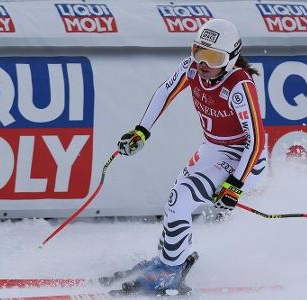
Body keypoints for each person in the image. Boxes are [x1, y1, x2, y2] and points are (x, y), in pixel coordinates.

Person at [116, 18, 267, 295]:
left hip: (245, 159)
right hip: (213, 148)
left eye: (213, 57)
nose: (203, 63)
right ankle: (169, 260)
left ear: (231, 59)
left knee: (181, 198)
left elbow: (256, 141)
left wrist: (234, 185)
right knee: (177, 200)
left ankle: (168, 272)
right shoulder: (191, 68)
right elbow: (164, 92)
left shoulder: (239, 86)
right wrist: (141, 131)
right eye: (198, 52)